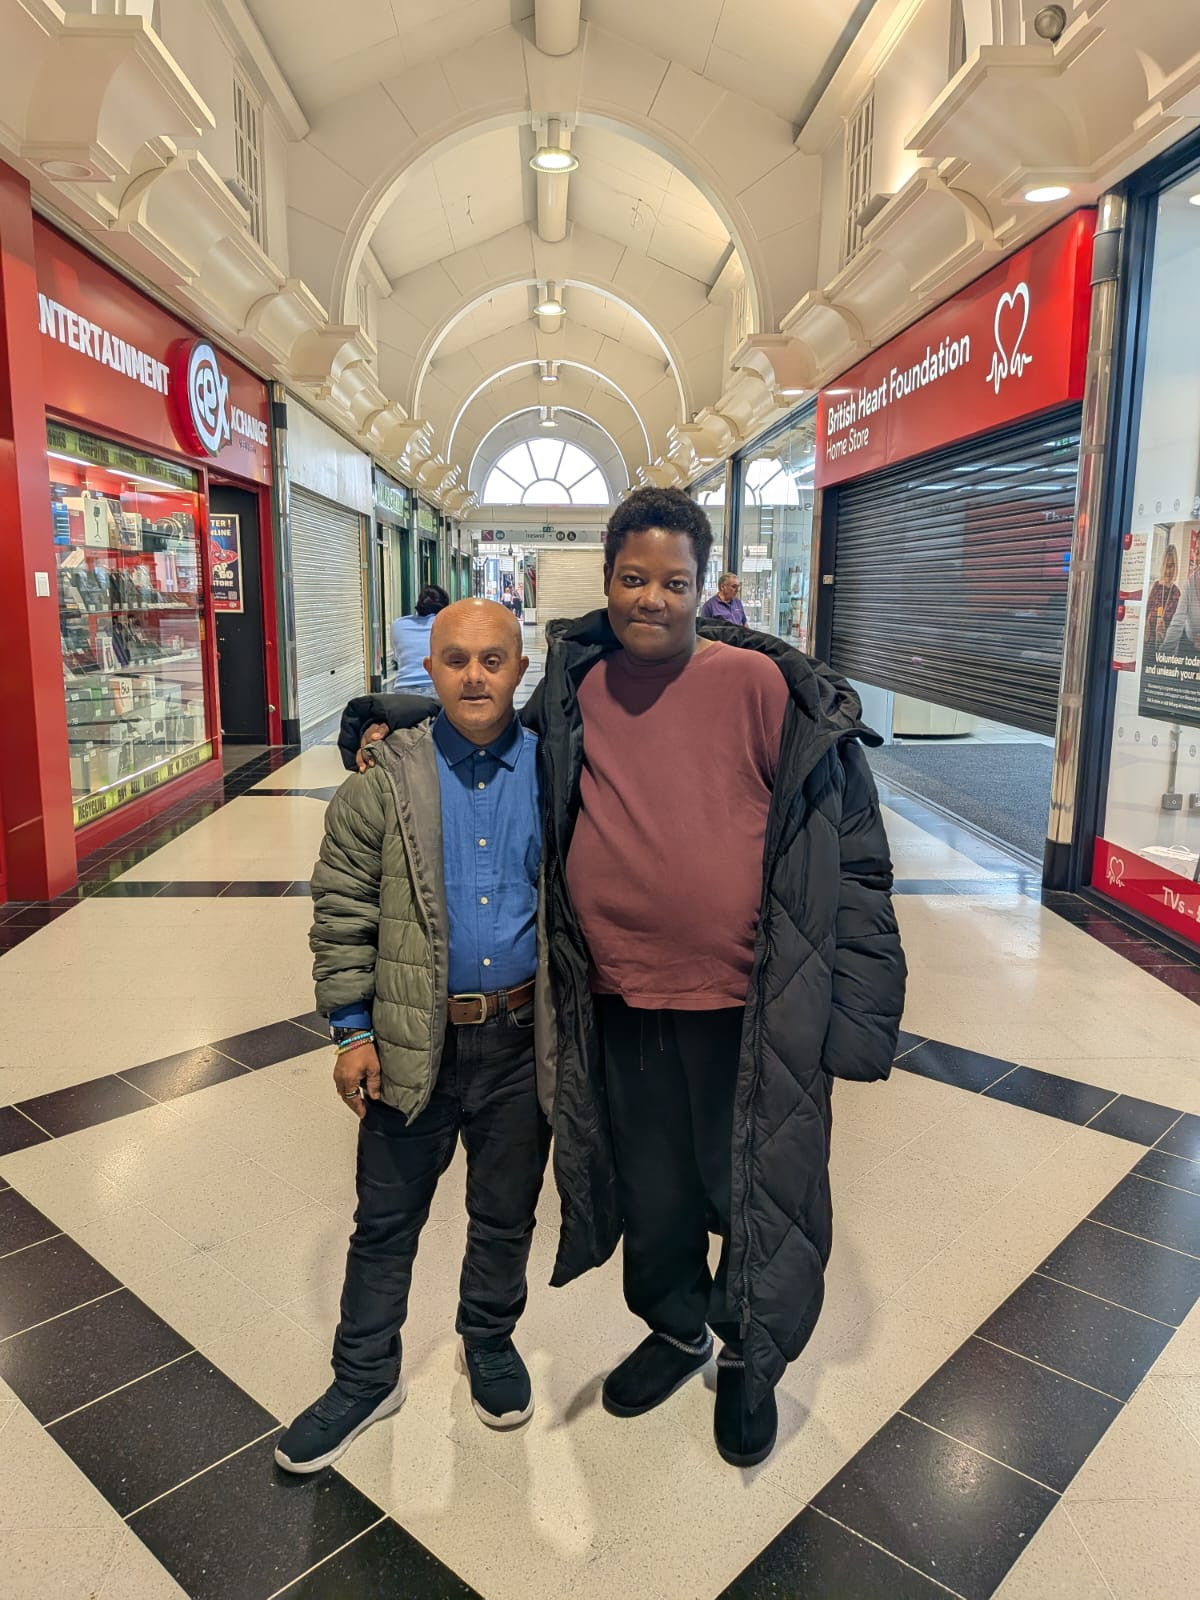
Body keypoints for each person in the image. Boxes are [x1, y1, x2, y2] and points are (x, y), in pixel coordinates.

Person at [345, 488, 905, 1470]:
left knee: (754, 1185)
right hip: (615, 1001)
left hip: (746, 1003)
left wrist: (858, 1013)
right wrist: (380, 721)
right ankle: (679, 1327)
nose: (653, 598)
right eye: (634, 578)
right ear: (607, 581)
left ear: (704, 586)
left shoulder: (760, 688)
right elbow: (487, 722)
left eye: (675, 582)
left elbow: (850, 855)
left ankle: (751, 1355)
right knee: (654, 1188)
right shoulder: (579, 684)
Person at [275, 599, 551, 1475]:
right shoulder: (381, 782)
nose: (475, 675)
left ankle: (489, 1341)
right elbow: (342, 912)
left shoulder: (556, 776)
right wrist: (350, 1032)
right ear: (428, 671)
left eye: (494, 659)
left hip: (520, 1041)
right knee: (386, 1222)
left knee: (505, 1213)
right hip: (408, 1039)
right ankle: (364, 1378)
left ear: (521, 671)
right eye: (456, 659)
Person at [390, 584, 450, 693]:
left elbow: (397, 656)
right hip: (438, 689)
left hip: (402, 691)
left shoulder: (398, 625)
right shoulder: (449, 625)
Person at [1161, 546, 1200, 657]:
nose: (1198, 557)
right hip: (1189, 647)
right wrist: (1162, 654)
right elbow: (1178, 621)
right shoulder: (1189, 584)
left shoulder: (1176, 592)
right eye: (1197, 552)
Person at [1144, 544, 1180, 656]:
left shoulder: (1177, 593)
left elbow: (1177, 629)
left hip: (1165, 651)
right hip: (1148, 647)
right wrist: (1146, 627)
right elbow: (1145, 614)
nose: (1168, 571)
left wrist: (1165, 632)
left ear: (1176, 567)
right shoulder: (1156, 587)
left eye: (1172, 566)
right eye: (1166, 566)